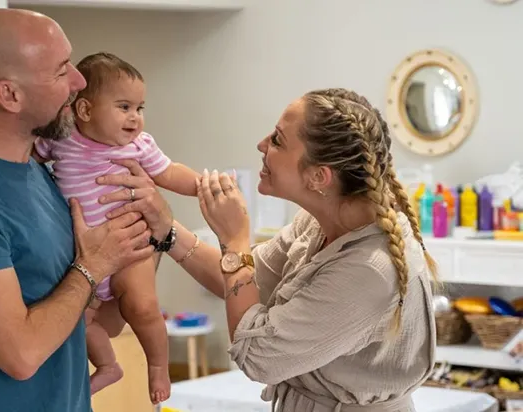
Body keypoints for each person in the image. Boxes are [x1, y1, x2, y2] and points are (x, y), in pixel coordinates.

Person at [96, 88, 437, 411]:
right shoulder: (318, 224)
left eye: (277, 139)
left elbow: (257, 354)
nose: (261, 144)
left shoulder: (369, 270)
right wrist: (165, 228)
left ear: (319, 177)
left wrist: (235, 239)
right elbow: (243, 283)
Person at [0, 9, 174, 412]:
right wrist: (92, 266)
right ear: (9, 95)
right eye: (61, 70)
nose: (80, 82)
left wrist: (151, 235)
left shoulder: (44, 175)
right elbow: (21, 355)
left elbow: (102, 321)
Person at [34, 52, 200, 403]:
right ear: (85, 110)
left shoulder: (140, 147)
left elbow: (169, 173)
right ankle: (108, 365)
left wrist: (203, 186)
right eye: (124, 107)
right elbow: (28, 157)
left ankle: (157, 366)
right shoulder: (62, 141)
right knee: (75, 325)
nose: (135, 118)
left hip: (130, 252)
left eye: (140, 108)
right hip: (84, 259)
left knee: (142, 307)